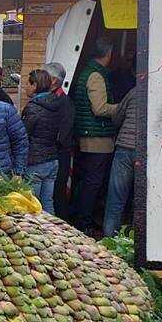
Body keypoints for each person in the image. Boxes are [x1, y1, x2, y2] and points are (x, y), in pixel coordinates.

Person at [71, 35, 119, 234]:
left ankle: (81, 218)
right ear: (108, 54)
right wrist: (121, 107)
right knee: (93, 182)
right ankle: (84, 223)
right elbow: (99, 108)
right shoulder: (96, 76)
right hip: (96, 138)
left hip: (89, 134)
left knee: (87, 180)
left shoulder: (89, 72)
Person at [22, 69, 66, 214]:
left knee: (33, 206)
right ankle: (55, 235)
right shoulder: (58, 104)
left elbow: (24, 134)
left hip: (36, 162)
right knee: (47, 203)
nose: (25, 87)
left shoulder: (33, 107)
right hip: (53, 160)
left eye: (28, 84)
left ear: (35, 86)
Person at [41, 62, 75, 220]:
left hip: (59, 157)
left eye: (44, 75)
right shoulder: (48, 98)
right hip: (50, 155)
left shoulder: (65, 103)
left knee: (57, 195)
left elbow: (63, 134)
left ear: (53, 80)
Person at [103, 86, 136, 237]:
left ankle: (109, 241)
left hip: (125, 148)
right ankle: (138, 244)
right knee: (144, 200)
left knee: (115, 198)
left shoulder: (134, 91)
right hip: (148, 152)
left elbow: (117, 117)